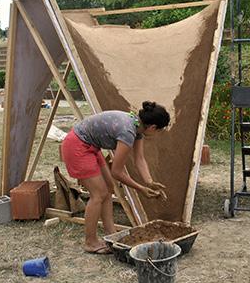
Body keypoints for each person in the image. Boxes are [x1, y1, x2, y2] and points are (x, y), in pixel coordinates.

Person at [61, 101, 170, 254]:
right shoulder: (128, 131)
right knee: (98, 194)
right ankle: (90, 242)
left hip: (91, 146)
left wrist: (149, 182)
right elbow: (117, 172)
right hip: (77, 145)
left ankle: (111, 235)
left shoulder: (137, 126)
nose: (158, 134)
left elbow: (139, 159)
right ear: (152, 127)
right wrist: (141, 189)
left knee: (108, 188)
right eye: (159, 130)